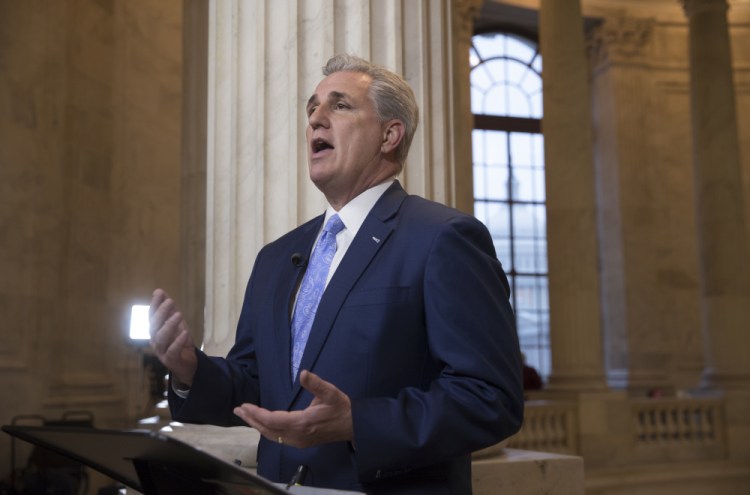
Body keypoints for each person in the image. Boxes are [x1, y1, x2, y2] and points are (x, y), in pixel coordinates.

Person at [149, 54, 523, 495]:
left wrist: (357, 423)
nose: (316, 120)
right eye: (312, 109)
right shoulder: (276, 256)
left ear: (390, 134)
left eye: (339, 106)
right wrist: (192, 371)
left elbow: (489, 398)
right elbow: (255, 382)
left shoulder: (443, 238)